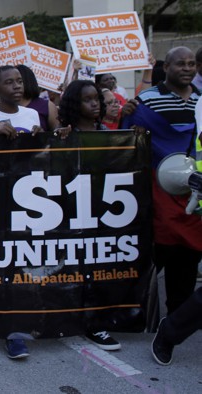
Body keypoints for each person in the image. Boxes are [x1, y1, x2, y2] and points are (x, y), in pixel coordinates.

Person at [122, 46, 201, 318]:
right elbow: (125, 141)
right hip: (158, 195)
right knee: (153, 258)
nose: (187, 68)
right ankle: (135, 316)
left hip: (193, 195)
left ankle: (177, 320)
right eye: (181, 63)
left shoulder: (201, 102)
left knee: (187, 263)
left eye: (191, 63)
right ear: (166, 67)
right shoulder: (145, 102)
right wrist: (128, 119)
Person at [17, 65, 59, 131]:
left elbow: (57, 135)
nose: (14, 85)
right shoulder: (3, 106)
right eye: (8, 82)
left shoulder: (47, 106)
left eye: (18, 81)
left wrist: (42, 135)